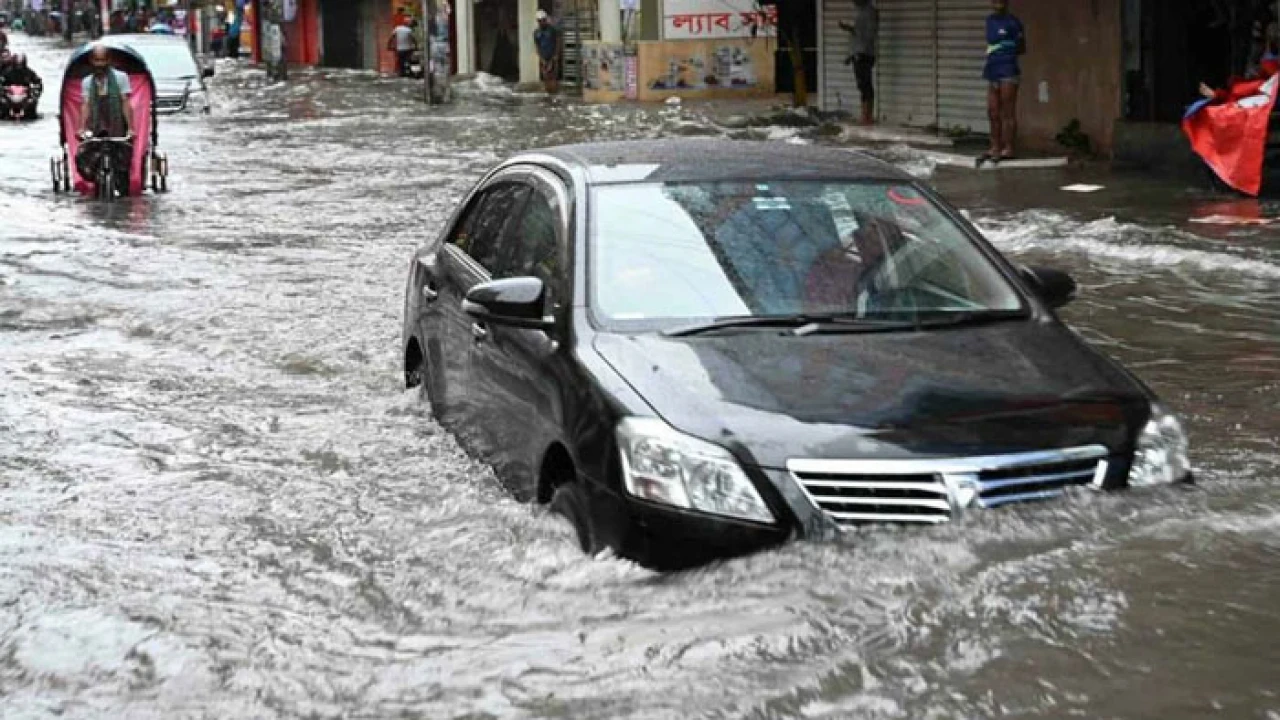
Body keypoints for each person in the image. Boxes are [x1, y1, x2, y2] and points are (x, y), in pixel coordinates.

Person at [77, 45, 135, 188]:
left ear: (109, 60)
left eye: (103, 60)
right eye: (97, 60)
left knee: (122, 160)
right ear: (92, 61)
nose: (100, 64)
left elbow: (125, 102)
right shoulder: (87, 82)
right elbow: (86, 104)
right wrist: (81, 128)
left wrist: (131, 128)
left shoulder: (121, 77)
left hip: (117, 123)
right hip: (96, 125)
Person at [978, 0, 1025, 165]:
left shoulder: (1013, 22)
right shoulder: (989, 20)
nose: (997, 4)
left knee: (1007, 111)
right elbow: (990, 41)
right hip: (992, 69)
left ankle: (1009, 147)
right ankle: (994, 146)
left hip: (1008, 70)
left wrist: (1005, 49)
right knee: (992, 111)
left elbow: (1021, 47)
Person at [839, 0, 878, 126]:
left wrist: (852, 29)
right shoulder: (860, 11)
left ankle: (867, 116)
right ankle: (865, 115)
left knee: (865, 85)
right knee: (862, 85)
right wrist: (850, 55)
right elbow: (857, 37)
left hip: (864, 54)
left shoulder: (869, 12)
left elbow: (868, 36)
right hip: (858, 54)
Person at [533, 9, 560, 94]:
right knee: (545, 76)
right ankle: (548, 91)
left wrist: (556, 54)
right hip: (543, 57)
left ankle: (554, 92)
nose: (542, 22)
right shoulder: (536, 32)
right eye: (540, 21)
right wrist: (541, 58)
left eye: (543, 20)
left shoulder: (552, 29)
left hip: (552, 56)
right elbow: (537, 45)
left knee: (553, 76)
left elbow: (558, 42)